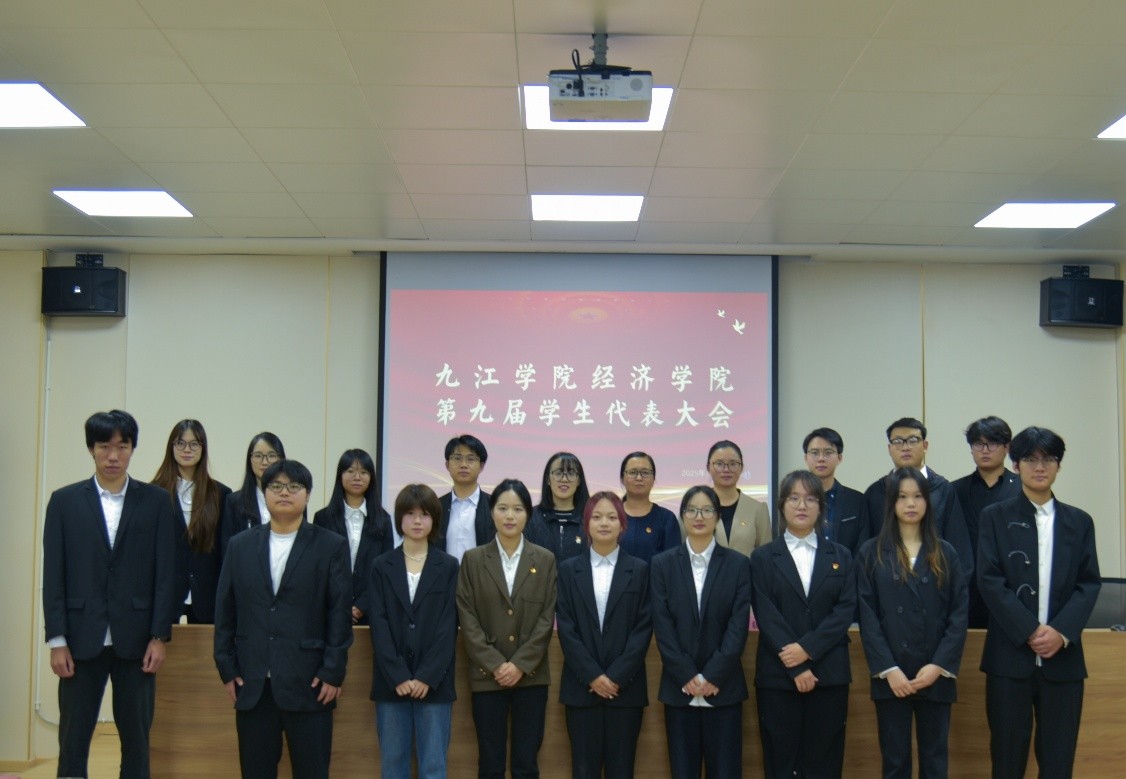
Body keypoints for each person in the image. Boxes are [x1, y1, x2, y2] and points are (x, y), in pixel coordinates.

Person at [42, 410, 178, 779]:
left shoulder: (156, 501)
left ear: (133, 449)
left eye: (122, 446)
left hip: (137, 640)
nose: (113, 456)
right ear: (91, 449)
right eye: (104, 446)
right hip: (79, 638)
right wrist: (57, 640)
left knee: (137, 739)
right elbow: (54, 575)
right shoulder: (64, 501)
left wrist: (159, 636)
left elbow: (165, 574)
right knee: (73, 739)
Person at [214, 459, 353, 779]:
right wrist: (227, 668)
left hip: (311, 682)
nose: (284, 493)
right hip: (253, 683)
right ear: (264, 493)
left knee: (312, 771)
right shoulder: (240, 546)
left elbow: (339, 614)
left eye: (294, 486)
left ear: (308, 494)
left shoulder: (330, 546)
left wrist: (333, 672)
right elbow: (226, 611)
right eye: (276, 486)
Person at [977, 427, 1101, 779]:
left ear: (1059, 465)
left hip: (1063, 662)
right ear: (1016, 465)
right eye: (1030, 459)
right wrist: (1029, 630)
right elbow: (988, 579)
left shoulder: (1079, 522)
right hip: (1009, 659)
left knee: (1059, 762)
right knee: (1006, 761)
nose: (1040, 467)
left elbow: (1088, 583)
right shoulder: (994, 516)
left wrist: (1060, 632)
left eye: (1048, 459)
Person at [857, 467, 968, 779]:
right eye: (902, 497)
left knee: (935, 761)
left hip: (935, 672)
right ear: (891, 503)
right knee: (895, 762)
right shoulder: (871, 552)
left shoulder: (945, 552)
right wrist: (888, 669)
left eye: (918, 496)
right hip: (891, 674)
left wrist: (939, 665)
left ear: (928, 502)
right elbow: (867, 616)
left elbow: (959, 614)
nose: (910, 503)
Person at [750, 470, 856, 779]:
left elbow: (845, 610)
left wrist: (807, 649)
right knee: (781, 761)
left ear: (821, 507)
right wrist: (796, 664)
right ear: (782, 505)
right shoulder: (762, 557)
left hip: (829, 673)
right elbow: (766, 612)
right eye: (793, 498)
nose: (801, 505)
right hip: (778, 675)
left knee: (824, 761)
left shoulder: (841, 556)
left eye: (810, 499)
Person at [456, 478, 557, 779]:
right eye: (502, 508)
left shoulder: (545, 559)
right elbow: (467, 618)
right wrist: (496, 664)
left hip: (531, 676)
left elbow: (546, 618)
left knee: (526, 763)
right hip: (487, 676)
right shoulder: (473, 560)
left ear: (528, 514)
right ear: (492, 512)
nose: (510, 516)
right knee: (490, 762)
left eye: (517, 509)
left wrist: (520, 665)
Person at [650, 485, 752, 779]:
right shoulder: (662, 564)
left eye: (707, 510)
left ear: (717, 517)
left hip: (724, 688)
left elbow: (737, 626)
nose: (699, 516)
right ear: (682, 515)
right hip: (679, 688)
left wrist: (713, 676)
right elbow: (663, 626)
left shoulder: (738, 564)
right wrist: (686, 674)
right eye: (692, 510)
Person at [556, 492, 652, 778]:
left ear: (623, 524)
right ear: (586, 524)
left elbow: (643, 629)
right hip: (582, 689)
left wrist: (616, 677)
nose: (604, 523)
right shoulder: (568, 570)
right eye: (597, 517)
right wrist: (593, 676)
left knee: (622, 769)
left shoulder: (640, 570)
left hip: (626, 691)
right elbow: (567, 629)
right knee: (583, 769)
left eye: (612, 517)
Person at [368, 484, 459, 779]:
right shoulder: (381, 566)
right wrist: (397, 675)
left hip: (434, 683)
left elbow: (448, 626)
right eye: (410, 513)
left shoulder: (449, 566)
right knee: (393, 767)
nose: (417, 521)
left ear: (435, 519)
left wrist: (426, 676)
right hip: (391, 683)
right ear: (399, 518)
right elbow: (379, 624)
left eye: (424, 514)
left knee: (433, 767)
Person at [862, 418, 973, 579]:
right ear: (889, 449)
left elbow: (959, 546)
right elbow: (866, 549)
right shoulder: (875, 493)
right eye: (898, 441)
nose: (905, 447)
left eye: (913, 440)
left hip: (936, 581)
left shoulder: (943, 489)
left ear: (925, 445)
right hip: (886, 582)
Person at [150, 419, 231, 624]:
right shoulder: (153, 493)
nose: (187, 449)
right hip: (167, 596)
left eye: (194, 444)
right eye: (180, 443)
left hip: (208, 598)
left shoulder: (220, 494)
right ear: (172, 447)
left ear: (203, 448)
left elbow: (224, 552)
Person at [951, 416, 1022, 628]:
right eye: (978, 444)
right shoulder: (954, 490)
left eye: (992, 443)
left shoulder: (1023, 489)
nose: (984, 450)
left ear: (1007, 447)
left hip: (1011, 586)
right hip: (967, 589)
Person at [313, 448, 394, 625]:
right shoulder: (323, 518)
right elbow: (319, 568)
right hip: (330, 612)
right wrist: (340, 606)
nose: (357, 477)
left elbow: (385, 569)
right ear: (340, 476)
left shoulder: (383, 520)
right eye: (350, 471)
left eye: (363, 472)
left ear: (371, 478)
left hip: (371, 613)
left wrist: (361, 606)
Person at [218, 432, 286, 558]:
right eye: (258, 456)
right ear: (250, 460)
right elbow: (228, 551)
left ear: (281, 459)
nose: (264, 462)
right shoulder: (234, 501)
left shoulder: (292, 500)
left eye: (271, 456)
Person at [803, 427, 867, 555]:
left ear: (839, 458)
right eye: (815, 453)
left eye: (828, 452)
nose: (821, 458)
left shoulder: (857, 501)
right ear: (806, 458)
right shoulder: (795, 502)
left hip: (848, 567)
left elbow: (863, 547)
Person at [706, 440, 771, 555]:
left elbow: (766, 556)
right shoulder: (694, 507)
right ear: (708, 467)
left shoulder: (758, 509)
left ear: (741, 468)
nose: (726, 469)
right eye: (719, 464)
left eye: (733, 464)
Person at [438, 434, 493, 561]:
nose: (463, 464)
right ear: (447, 465)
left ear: (481, 466)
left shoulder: (494, 506)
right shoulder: (436, 507)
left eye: (471, 459)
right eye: (457, 458)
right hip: (445, 574)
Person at [617, 451, 681, 563]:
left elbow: (673, 564)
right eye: (632, 472)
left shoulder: (666, 519)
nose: (639, 478)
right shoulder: (611, 516)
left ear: (653, 479)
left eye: (645, 473)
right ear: (622, 478)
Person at [529, 451, 591, 562]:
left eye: (571, 473)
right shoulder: (532, 517)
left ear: (579, 480)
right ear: (548, 479)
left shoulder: (590, 518)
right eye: (558, 473)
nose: (564, 479)